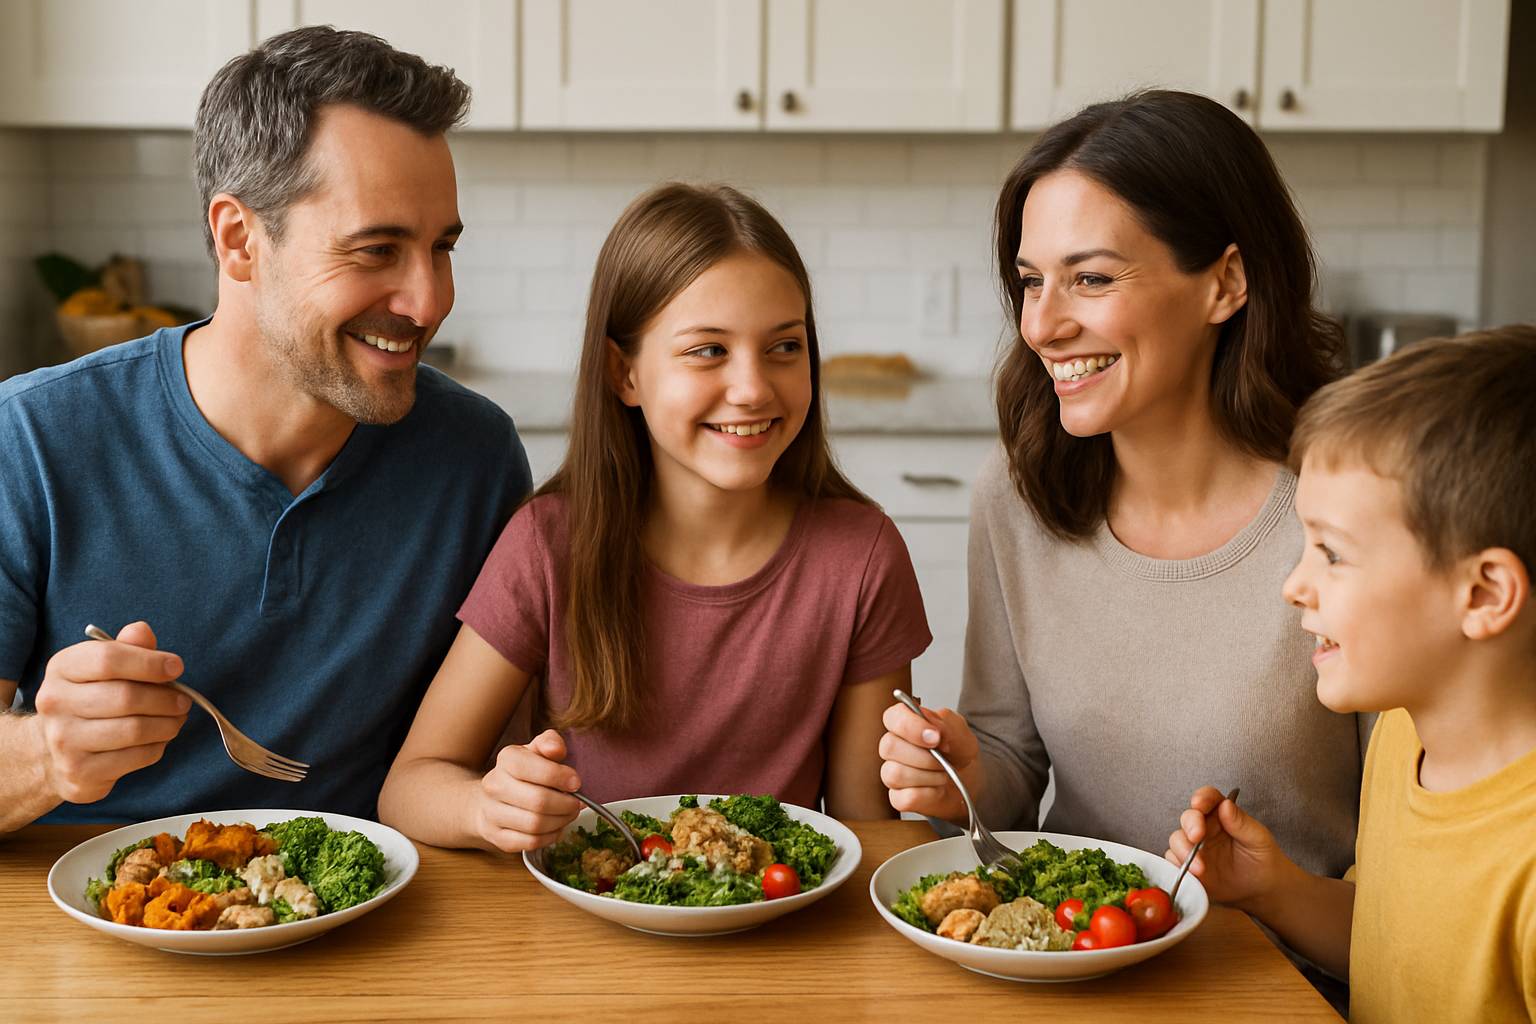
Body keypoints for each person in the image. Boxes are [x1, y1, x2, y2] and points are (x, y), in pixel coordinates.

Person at [0, 26, 530, 830]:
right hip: (95, 934)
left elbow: (482, 767)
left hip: (377, 930)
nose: (428, 302)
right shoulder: (31, 440)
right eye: (377, 249)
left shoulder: (475, 459)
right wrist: (45, 754)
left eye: (440, 248)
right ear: (240, 239)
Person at [878, 91, 1366, 878]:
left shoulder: (1353, 512)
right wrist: (964, 777)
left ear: (1225, 283)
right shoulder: (1015, 495)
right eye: (1032, 281)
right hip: (1074, 960)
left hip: (1281, 986)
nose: (1041, 325)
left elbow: (1408, 864)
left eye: (1092, 279)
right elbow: (1009, 767)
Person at [378, 183, 930, 852]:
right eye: (708, 350)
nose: (754, 387)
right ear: (624, 373)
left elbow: (863, 829)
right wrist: (483, 808)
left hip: (779, 931)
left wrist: (930, 783)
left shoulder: (861, 555)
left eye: (784, 347)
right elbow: (409, 787)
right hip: (584, 928)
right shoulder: (549, 544)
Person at [1168, 326, 1536, 1024]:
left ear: (1484, 594)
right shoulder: (1406, 736)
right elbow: (1389, 945)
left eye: (1331, 553)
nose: (1295, 586)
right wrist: (1274, 891)